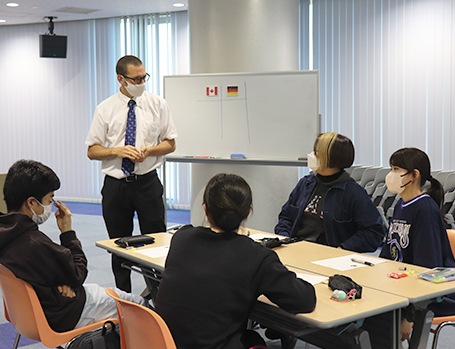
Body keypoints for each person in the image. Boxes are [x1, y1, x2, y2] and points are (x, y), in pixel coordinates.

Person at [155, 173, 316, 349]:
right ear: (247, 212)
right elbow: (304, 300)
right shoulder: (257, 256)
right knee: (253, 340)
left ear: (206, 209)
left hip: (162, 342)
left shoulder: (181, 238)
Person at [0, 160, 148, 333]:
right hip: (65, 313)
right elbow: (78, 274)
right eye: (49, 199)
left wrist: (62, 282)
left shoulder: (8, 235)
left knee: (105, 291)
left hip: (26, 315)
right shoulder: (33, 242)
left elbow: (51, 271)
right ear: (31, 203)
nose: (49, 205)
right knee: (140, 305)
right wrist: (67, 231)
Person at [85, 55, 178, 292]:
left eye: (144, 77)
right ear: (121, 79)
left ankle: (159, 296)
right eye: (136, 78)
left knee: (157, 244)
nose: (141, 82)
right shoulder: (105, 108)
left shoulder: (157, 104)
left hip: (148, 184)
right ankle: (124, 298)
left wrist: (150, 151)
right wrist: (116, 150)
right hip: (116, 186)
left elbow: (170, 143)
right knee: (119, 246)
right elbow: (92, 151)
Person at [379, 147, 455, 341]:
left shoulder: (425, 209)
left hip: (430, 297)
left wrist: (409, 315)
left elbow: (427, 270)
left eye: (396, 169)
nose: (391, 174)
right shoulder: (400, 205)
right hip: (400, 284)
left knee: (377, 322)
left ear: (414, 175)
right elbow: (388, 254)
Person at [275, 132, 384, 252]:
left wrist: (343, 248)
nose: (312, 155)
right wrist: (284, 238)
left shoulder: (353, 193)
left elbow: (373, 232)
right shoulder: (305, 184)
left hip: (328, 256)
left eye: (316, 152)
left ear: (330, 157)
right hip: (295, 249)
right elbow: (286, 216)